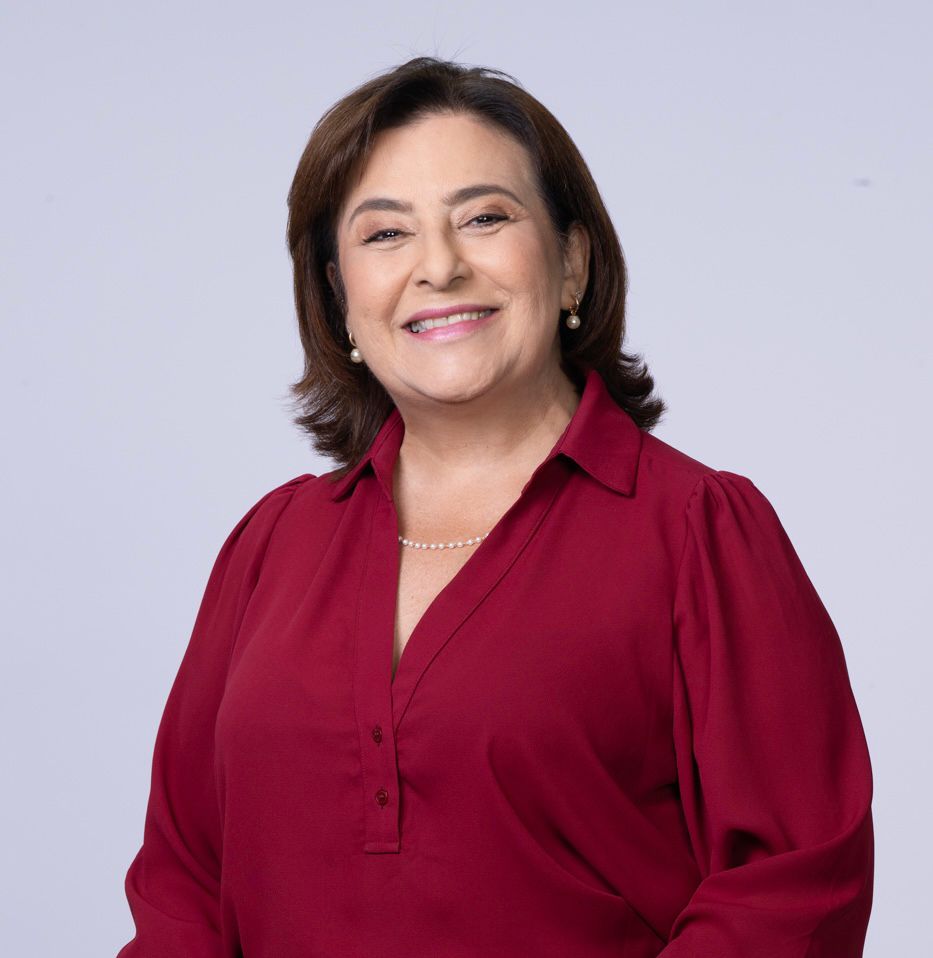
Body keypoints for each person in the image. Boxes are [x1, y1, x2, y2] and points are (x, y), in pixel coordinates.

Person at [116, 57, 874, 957]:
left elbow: (789, 889)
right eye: (385, 233)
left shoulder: (697, 531)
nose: (439, 266)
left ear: (571, 262)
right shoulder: (271, 545)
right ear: (338, 298)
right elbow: (183, 880)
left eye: (483, 218)